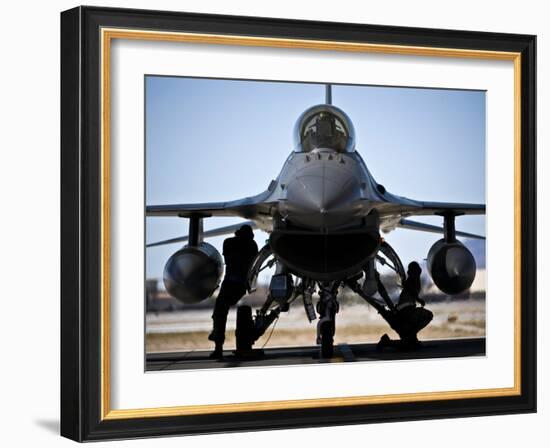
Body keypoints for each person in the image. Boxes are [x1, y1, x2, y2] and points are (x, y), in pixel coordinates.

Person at [208, 224, 258, 359]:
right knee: (221, 311)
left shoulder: (229, 243)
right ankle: (217, 340)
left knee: (220, 312)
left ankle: (218, 346)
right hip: (241, 285)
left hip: (230, 283)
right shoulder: (252, 246)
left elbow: (229, 258)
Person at [378, 261, 433, 350]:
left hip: (405, 310)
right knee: (428, 315)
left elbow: (409, 289)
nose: (418, 272)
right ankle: (409, 337)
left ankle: (404, 339)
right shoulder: (411, 281)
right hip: (406, 310)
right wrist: (419, 299)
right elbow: (411, 290)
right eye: (415, 270)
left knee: (409, 342)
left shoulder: (412, 281)